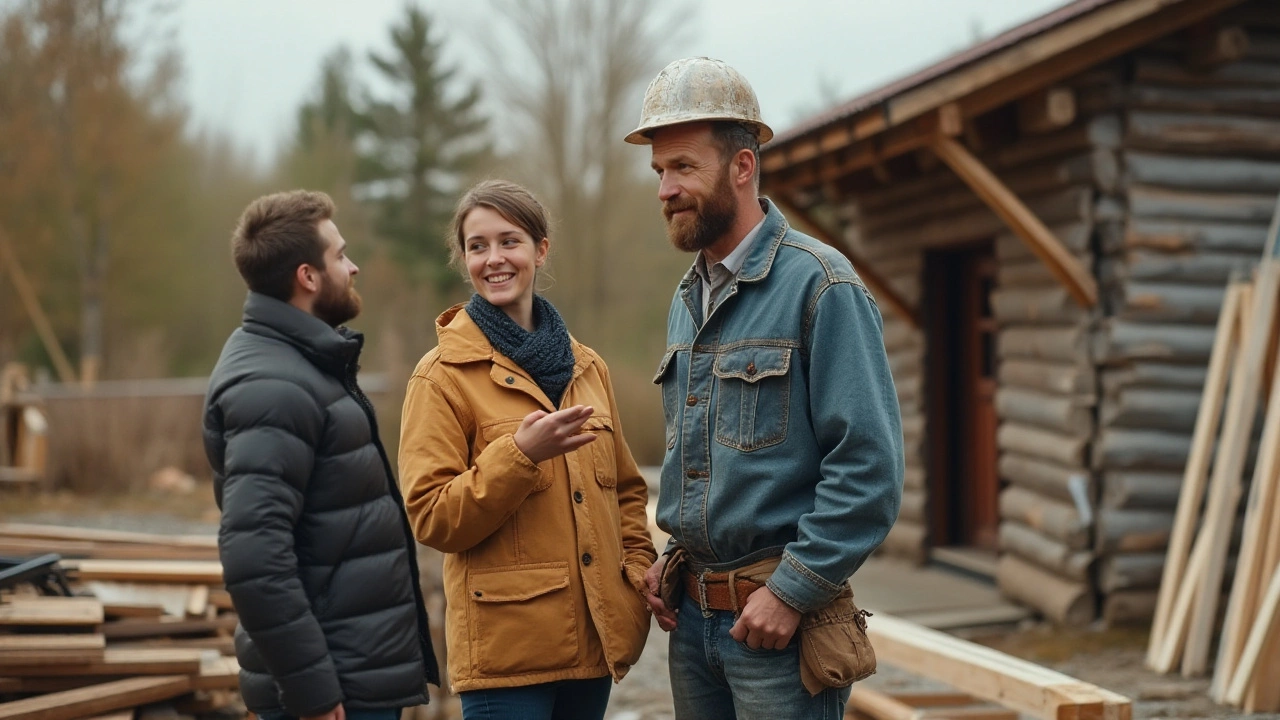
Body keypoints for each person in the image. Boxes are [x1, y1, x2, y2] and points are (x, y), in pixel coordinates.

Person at [627, 57, 905, 719]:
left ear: (743, 167)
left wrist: (792, 592)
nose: (665, 188)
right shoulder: (685, 300)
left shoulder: (822, 286)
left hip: (777, 629)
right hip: (691, 627)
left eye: (684, 168)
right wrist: (673, 559)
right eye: (659, 172)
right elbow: (702, 461)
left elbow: (869, 471)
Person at [397, 179, 655, 720]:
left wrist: (636, 571)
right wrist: (519, 454)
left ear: (540, 250)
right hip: (506, 660)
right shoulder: (440, 378)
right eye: (477, 246)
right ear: (463, 258)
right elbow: (432, 517)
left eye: (509, 242)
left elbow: (627, 493)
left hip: (595, 648)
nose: (494, 259)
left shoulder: (589, 368)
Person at [203, 190, 439, 720]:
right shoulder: (273, 385)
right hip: (331, 692)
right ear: (308, 276)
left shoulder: (295, 363)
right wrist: (310, 688)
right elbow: (255, 557)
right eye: (340, 255)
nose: (352, 267)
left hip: (350, 677)